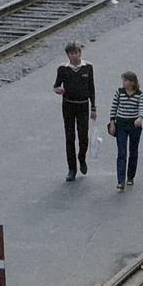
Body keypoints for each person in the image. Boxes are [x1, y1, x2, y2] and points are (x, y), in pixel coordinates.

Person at [53, 41, 97, 181]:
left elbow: (92, 88)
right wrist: (58, 90)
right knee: (70, 137)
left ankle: (82, 158)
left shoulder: (88, 67)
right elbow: (56, 86)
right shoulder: (62, 69)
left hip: (83, 105)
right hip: (68, 106)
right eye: (71, 53)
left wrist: (93, 107)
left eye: (76, 53)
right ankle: (72, 168)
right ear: (68, 55)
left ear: (80, 53)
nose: (74, 56)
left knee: (83, 136)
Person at [108, 71, 143, 190]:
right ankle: (120, 180)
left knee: (133, 151)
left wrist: (139, 118)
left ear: (132, 82)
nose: (123, 83)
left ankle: (130, 177)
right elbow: (114, 107)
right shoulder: (119, 92)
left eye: (125, 80)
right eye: (123, 80)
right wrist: (112, 123)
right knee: (122, 152)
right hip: (121, 124)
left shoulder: (139, 94)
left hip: (134, 125)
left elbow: (142, 107)